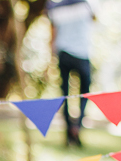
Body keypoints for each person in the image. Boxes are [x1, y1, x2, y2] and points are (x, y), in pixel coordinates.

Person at [46, 0, 98, 147]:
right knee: (84, 95)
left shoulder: (54, 8)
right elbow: (95, 19)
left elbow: (52, 36)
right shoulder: (86, 4)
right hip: (82, 54)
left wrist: (51, 59)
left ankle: (69, 132)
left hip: (63, 54)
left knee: (65, 96)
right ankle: (77, 126)